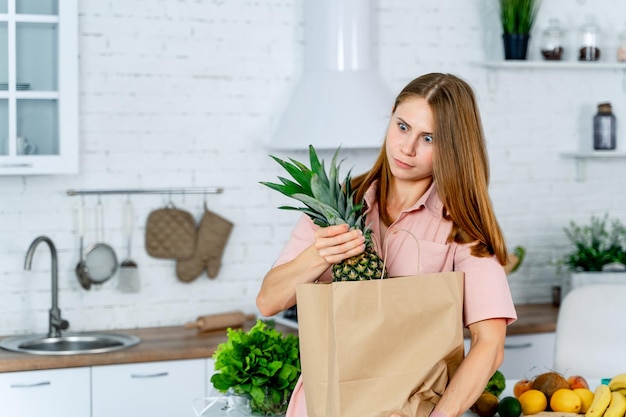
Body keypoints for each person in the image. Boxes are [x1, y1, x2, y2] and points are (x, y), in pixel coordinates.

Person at [256, 73, 517, 417]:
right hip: (322, 404)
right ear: (391, 116)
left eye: (428, 138)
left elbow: (490, 344)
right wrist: (319, 254)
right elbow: (268, 301)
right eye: (402, 126)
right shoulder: (338, 206)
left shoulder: (464, 227)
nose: (407, 148)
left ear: (453, 147)